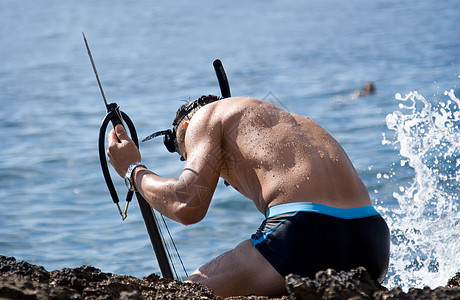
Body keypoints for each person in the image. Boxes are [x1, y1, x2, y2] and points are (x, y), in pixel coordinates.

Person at [107, 95, 390, 297]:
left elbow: (186, 203)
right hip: (372, 241)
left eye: (187, 156)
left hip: (307, 232)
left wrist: (132, 169)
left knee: (189, 292)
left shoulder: (204, 119)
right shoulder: (290, 121)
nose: (224, 182)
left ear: (184, 129)